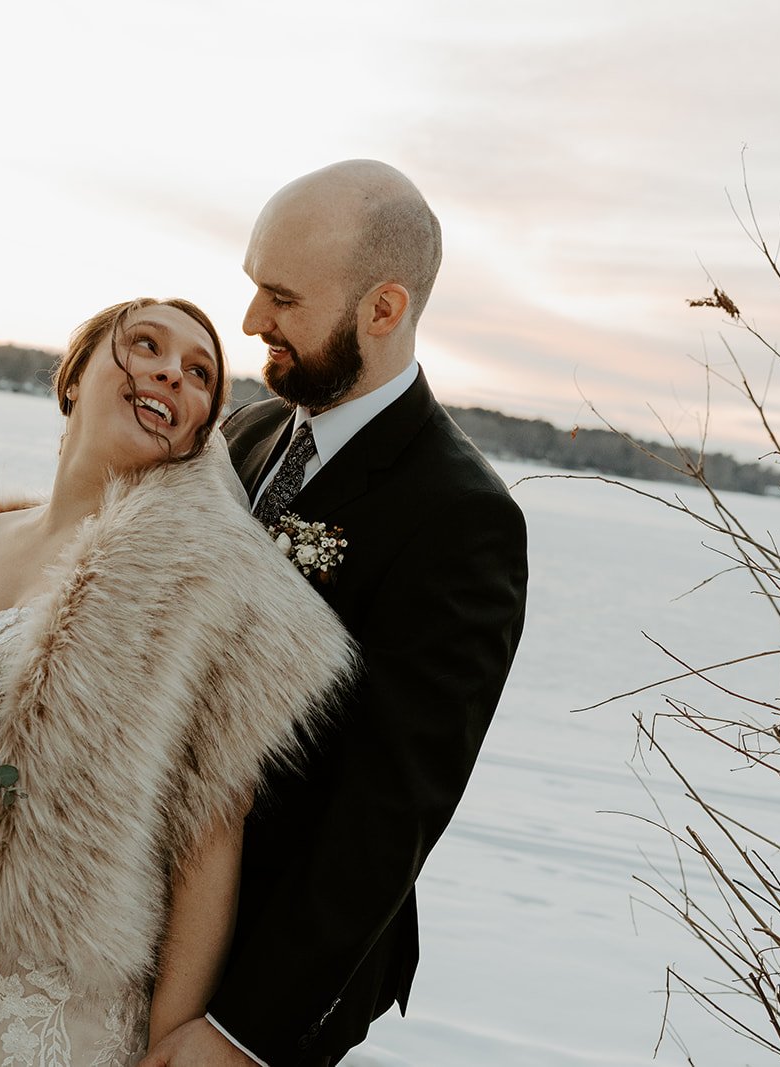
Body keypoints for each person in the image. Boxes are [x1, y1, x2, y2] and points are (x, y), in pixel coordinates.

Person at [0, 297, 358, 1066]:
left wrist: (169, 1041)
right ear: (74, 374)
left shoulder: (193, 586)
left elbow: (210, 839)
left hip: (48, 1014)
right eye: (144, 343)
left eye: (198, 374)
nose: (168, 372)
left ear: (194, 435)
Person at [144, 161, 529, 1066]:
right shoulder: (243, 432)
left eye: (281, 297)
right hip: (136, 916)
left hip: (264, 967)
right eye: (253, 288)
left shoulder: (462, 518)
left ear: (383, 310)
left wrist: (245, 1032)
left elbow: (390, 809)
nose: (250, 324)